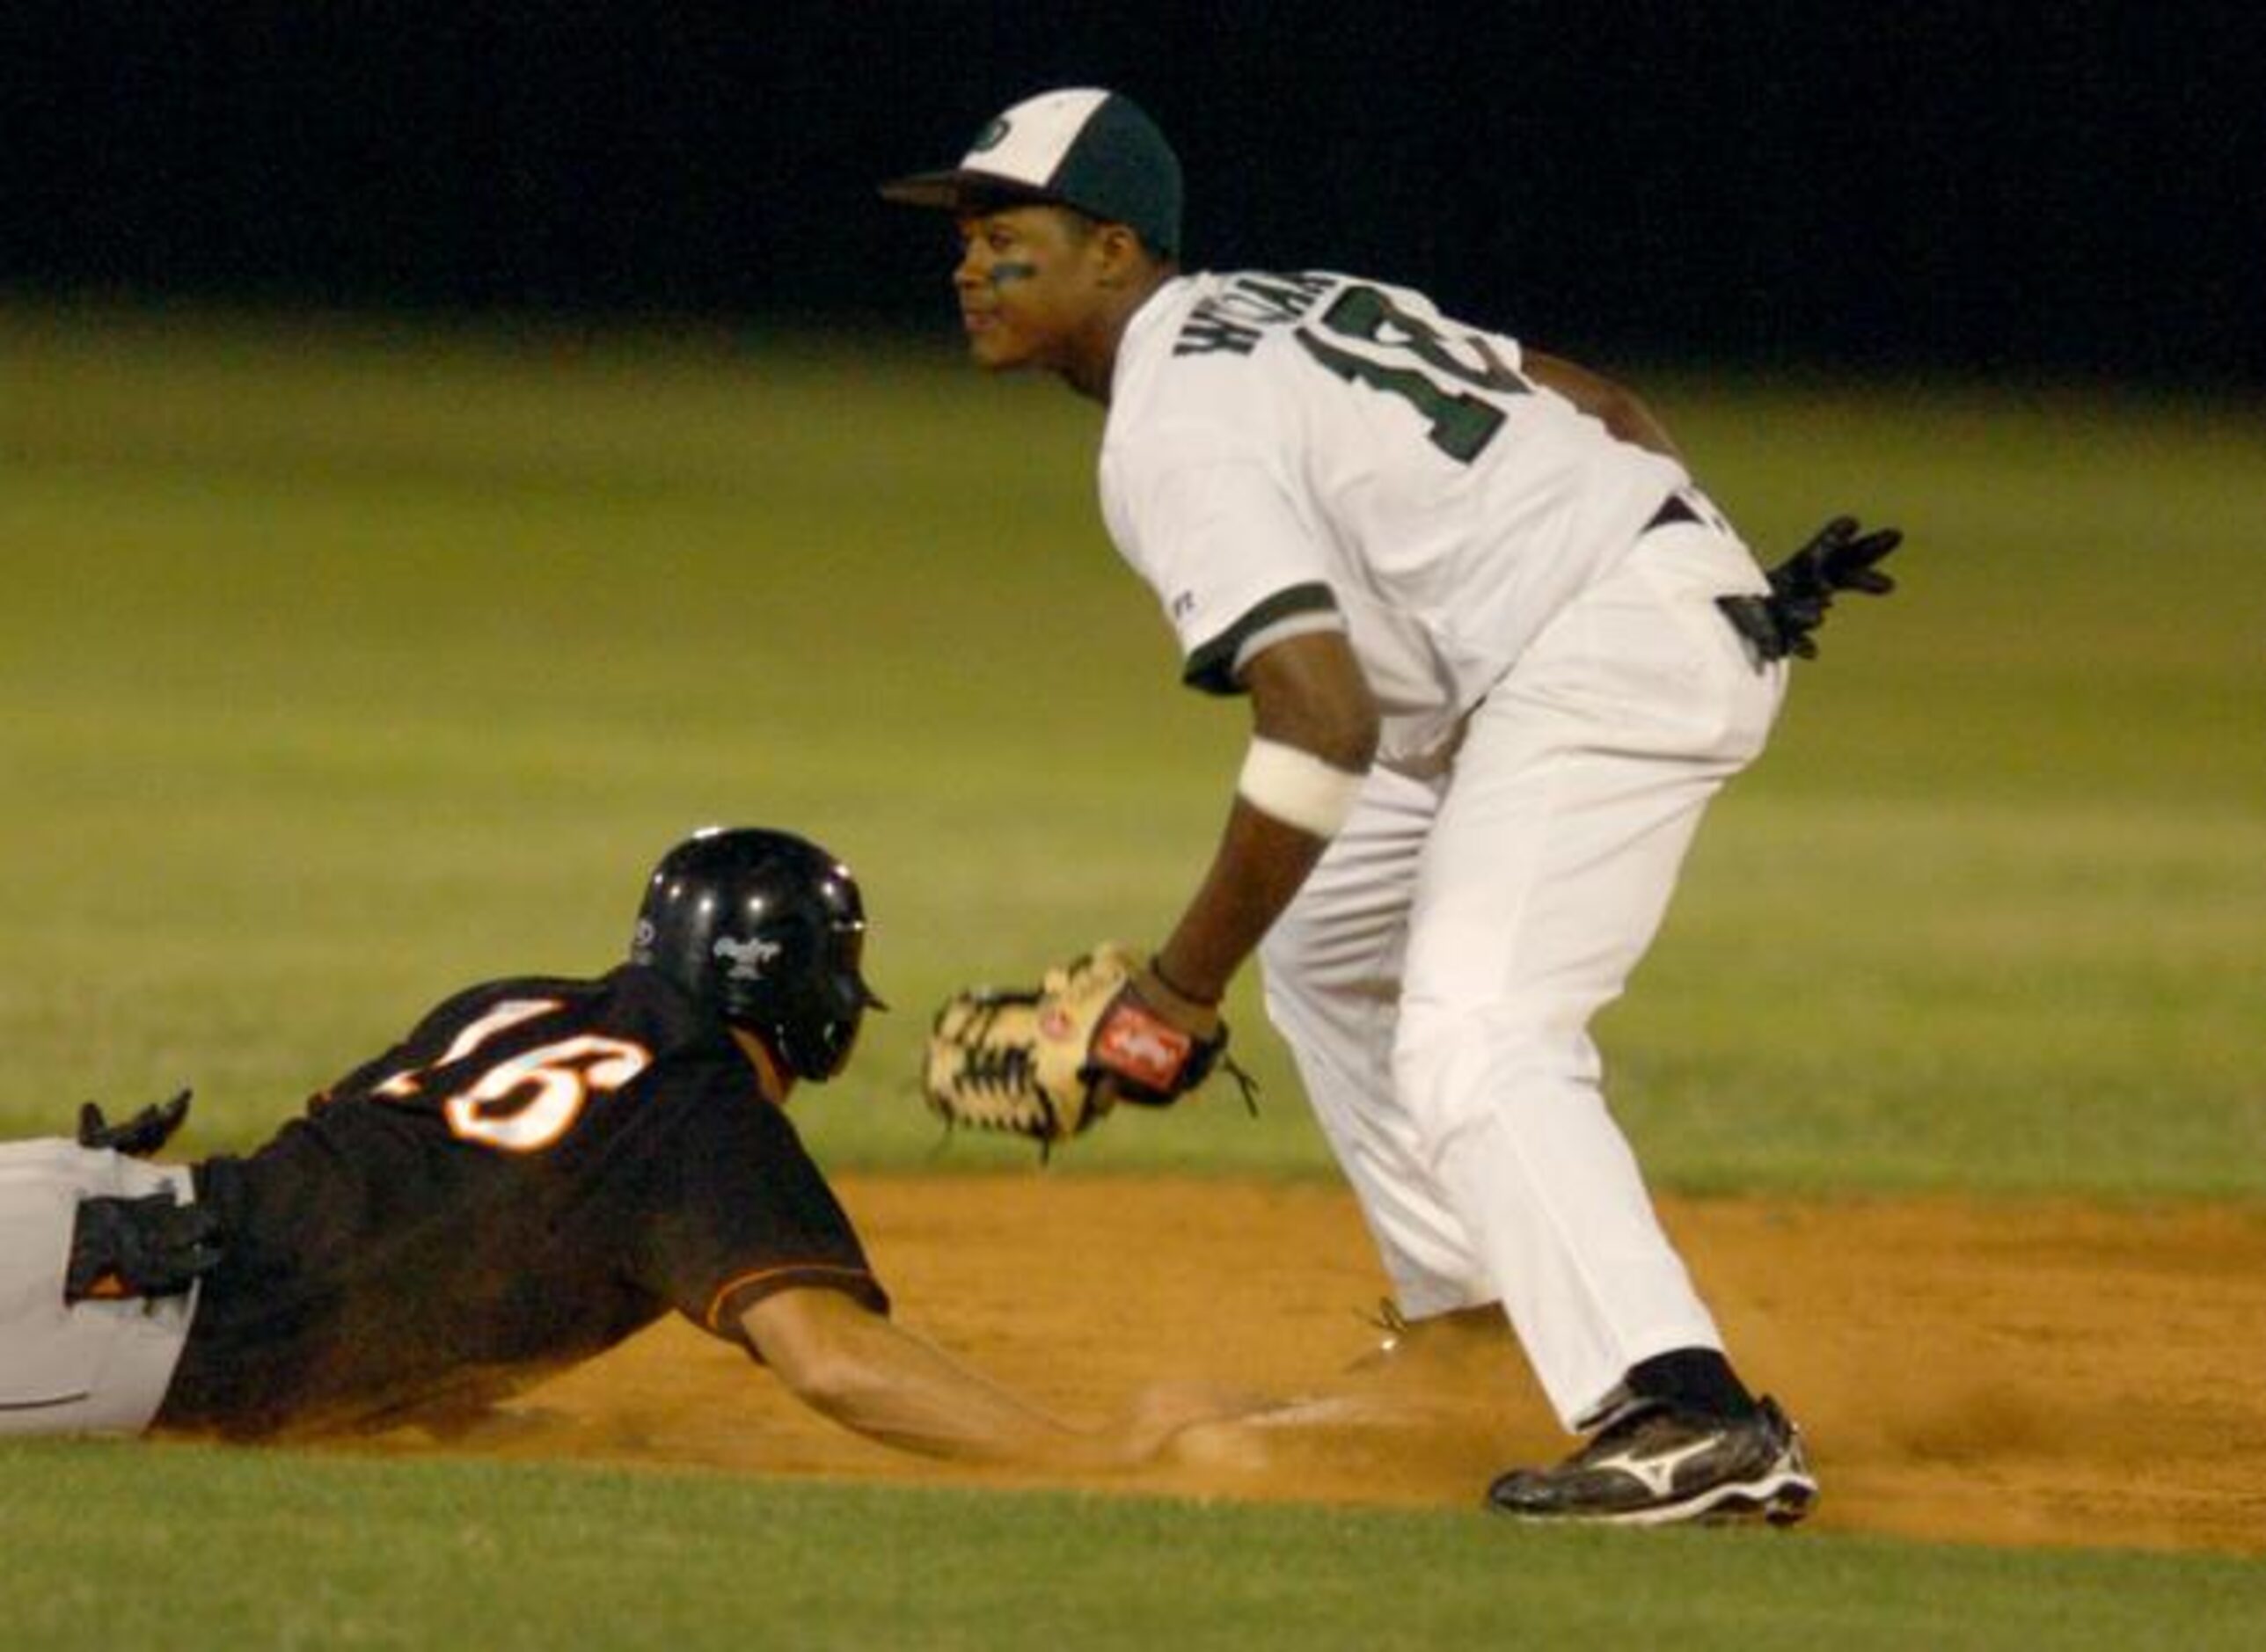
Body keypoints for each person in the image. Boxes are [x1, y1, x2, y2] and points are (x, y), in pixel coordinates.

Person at [881, 87, 1898, 1524]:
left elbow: (1321, 720)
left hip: (1599, 653)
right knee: (1331, 945)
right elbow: (1596, 401)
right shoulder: (1293, 306)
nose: (970, 261)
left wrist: (1174, 989)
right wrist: (1682, 554)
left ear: (1115, 248)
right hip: (1617, 617)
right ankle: (1464, 1337)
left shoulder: (1175, 421)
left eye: (1008, 232)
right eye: (966, 235)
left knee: (1482, 1029)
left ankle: (1694, 1416)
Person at [0, 826, 1235, 1468]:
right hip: (106, 1311)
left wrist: (458, 1415)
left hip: (92, 1207)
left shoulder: (514, 1001)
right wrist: (1078, 1448)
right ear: (811, 1008)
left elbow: (370, 1196)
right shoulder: (704, 1113)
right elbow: (834, 1363)